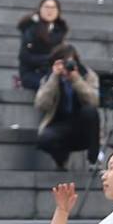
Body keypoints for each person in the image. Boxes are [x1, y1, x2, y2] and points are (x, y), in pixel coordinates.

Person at [35, 44, 102, 172]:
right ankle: (60, 161)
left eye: (70, 62)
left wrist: (76, 80)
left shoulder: (87, 75)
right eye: (63, 62)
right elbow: (41, 104)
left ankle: (93, 161)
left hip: (82, 124)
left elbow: (94, 101)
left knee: (91, 111)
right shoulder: (50, 77)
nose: (66, 66)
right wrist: (54, 78)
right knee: (45, 138)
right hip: (59, 124)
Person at [18, 0, 67, 90]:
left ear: (58, 11)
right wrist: (49, 59)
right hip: (32, 73)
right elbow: (25, 56)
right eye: (46, 7)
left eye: (53, 8)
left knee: (67, 86)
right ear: (40, 9)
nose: (50, 11)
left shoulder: (59, 30)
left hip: (51, 72)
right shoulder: (31, 28)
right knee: (52, 85)